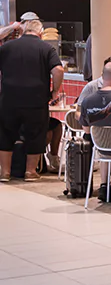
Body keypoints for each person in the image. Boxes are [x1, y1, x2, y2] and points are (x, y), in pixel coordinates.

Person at [0, 18, 63, 182]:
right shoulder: (46, 48)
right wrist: (55, 91)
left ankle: (5, 173)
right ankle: (30, 172)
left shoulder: (6, 47)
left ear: (22, 31)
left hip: (8, 99)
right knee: (35, 134)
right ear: (40, 33)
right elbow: (58, 69)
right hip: (36, 100)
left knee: (5, 134)